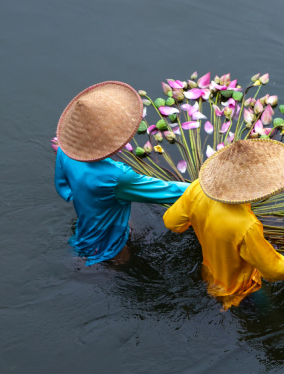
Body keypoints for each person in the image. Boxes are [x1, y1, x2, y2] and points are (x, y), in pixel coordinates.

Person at [163, 139, 284, 309]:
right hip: (238, 288)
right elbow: (274, 270)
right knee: (270, 318)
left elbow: (171, 222)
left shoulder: (198, 187)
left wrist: (202, 221)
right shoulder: (246, 225)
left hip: (208, 272)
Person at [54, 81, 190, 265]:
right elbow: (169, 191)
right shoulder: (118, 177)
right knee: (121, 261)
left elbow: (65, 189)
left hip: (85, 225)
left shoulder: (65, 151)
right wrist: (204, 186)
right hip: (109, 247)